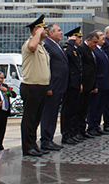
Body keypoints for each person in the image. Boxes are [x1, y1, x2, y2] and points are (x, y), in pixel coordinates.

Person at [20, 14, 51, 157]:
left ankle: (33, 145)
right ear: (36, 30)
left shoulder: (42, 46)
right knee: (29, 119)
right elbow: (32, 46)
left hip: (41, 87)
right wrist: (37, 33)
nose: (46, 30)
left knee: (36, 119)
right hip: (31, 86)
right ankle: (27, 148)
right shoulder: (29, 44)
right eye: (43, 28)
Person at [39, 23, 68, 151]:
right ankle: (45, 140)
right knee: (49, 114)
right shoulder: (47, 45)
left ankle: (49, 138)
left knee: (54, 113)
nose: (61, 33)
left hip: (60, 85)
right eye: (59, 30)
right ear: (51, 33)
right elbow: (47, 67)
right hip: (53, 86)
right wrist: (49, 86)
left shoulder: (56, 45)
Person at [60, 27, 83, 144]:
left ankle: (72, 132)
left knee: (74, 110)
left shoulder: (76, 50)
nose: (80, 40)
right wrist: (70, 42)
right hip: (69, 84)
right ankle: (66, 134)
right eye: (78, 37)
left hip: (76, 83)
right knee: (67, 111)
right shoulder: (67, 47)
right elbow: (67, 55)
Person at [87, 30, 109, 136]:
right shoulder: (94, 50)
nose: (103, 37)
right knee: (94, 106)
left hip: (104, 83)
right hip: (98, 82)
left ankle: (97, 126)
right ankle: (92, 127)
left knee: (100, 106)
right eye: (100, 35)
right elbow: (94, 68)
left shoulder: (101, 50)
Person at [76, 31, 99, 139]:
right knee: (80, 108)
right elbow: (80, 67)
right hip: (83, 84)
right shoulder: (82, 49)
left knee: (84, 109)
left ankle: (82, 130)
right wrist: (81, 83)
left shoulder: (91, 51)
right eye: (94, 42)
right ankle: (78, 130)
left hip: (89, 84)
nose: (96, 45)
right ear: (88, 40)